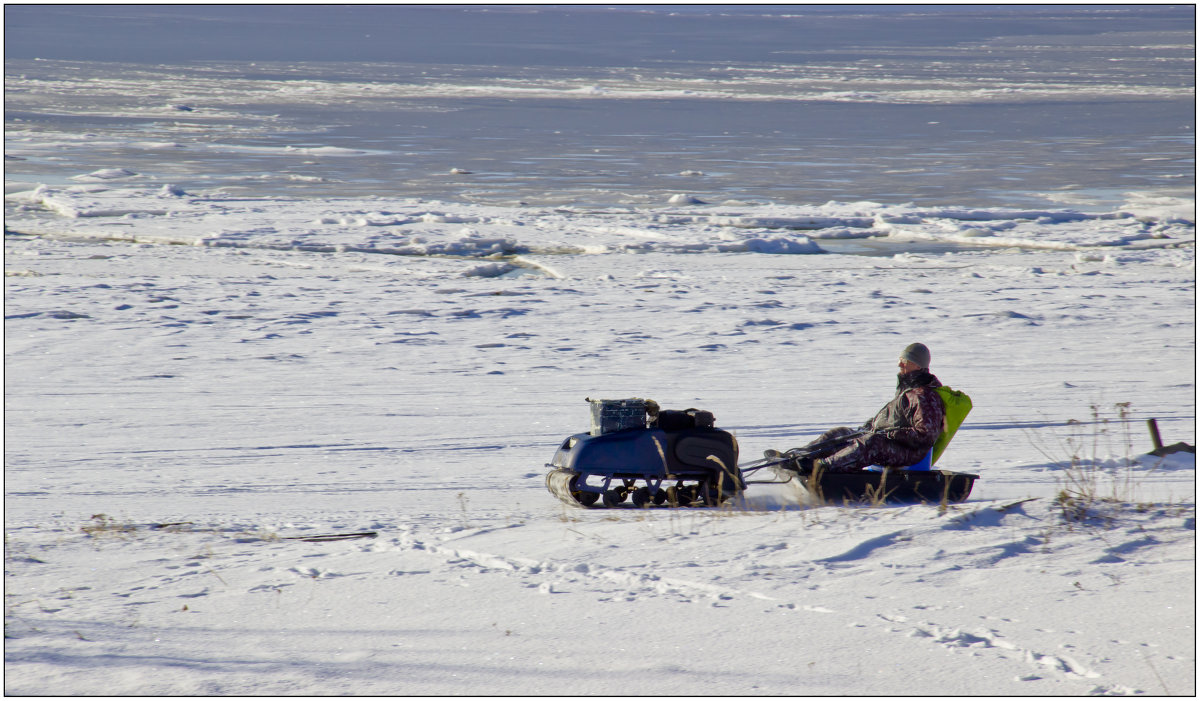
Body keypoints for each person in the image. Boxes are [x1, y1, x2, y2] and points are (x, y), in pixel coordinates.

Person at [794, 343, 946, 474]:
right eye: (900, 360)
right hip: (893, 442)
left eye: (905, 361)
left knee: (871, 443)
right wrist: (870, 427)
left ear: (917, 365)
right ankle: (799, 457)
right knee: (842, 433)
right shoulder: (908, 390)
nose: (900, 364)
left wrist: (891, 433)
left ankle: (822, 468)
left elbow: (926, 435)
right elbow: (892, 419)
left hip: (910, 452)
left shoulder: (924, 396)